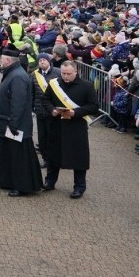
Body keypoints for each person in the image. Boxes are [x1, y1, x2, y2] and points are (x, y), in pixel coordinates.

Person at [42, 60, 100, 199]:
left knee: (78, 157)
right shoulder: (54, 84)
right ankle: (50, 181)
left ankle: (79, 187)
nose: (66, 77)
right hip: (57, 124)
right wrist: (52, 110)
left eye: (69, 74)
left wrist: (75, 112)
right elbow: (45, 100)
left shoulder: (86, 86)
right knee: (53, 154)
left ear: (76, 72)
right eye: (63, 73)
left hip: (76, 126)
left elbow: (93, 106)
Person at [0, 49, 43, 197]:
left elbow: (18, 103)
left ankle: (21, 185)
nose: (0, 63)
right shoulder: (14, 74)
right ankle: (8, 180)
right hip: (8, 122)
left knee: (18, 156)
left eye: (2, 60)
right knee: (8, 154)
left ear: (7, 61)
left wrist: (13, 124)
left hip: (14, 124)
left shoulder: (18, 77)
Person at [31, 52, 60, 169]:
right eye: (40, 60)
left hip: (53, 111)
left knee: (53, 137)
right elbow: (31, 92)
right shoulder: (34, 75)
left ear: (49, 61)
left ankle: (56, 159)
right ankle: (45, 159)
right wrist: (31, 106)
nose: (42, 62)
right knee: (42, 137)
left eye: (44, 60)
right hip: (39, 110)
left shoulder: (57, 72)